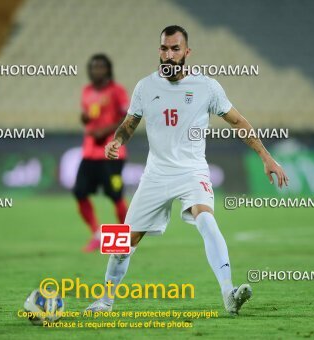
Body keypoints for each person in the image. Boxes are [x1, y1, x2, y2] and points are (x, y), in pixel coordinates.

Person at [86, 25, 288, 315]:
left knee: (206, 220)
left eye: (175, 49)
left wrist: (266, 157)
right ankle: (105, 300)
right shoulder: (145, 86)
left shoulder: (207, 87)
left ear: (187, 52)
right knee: (122, 242)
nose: (168, 55)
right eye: (164, 49)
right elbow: (129, 123)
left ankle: (228, 293)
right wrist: (117, 140)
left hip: (192, 171)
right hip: (155, 174)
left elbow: (238, 122)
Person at [73, 54, 129, 252]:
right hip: (89, 153)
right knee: (79, 192)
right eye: (94, 67)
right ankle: (97, 234)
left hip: (112, 153)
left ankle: (125, 238)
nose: (97, 70)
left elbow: (127, 118)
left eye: (101, 67)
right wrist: (84, 119)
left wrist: (105, 131)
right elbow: (89, 118)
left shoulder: (117, 91)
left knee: (116, 195)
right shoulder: (86, 91)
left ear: (108, 69)